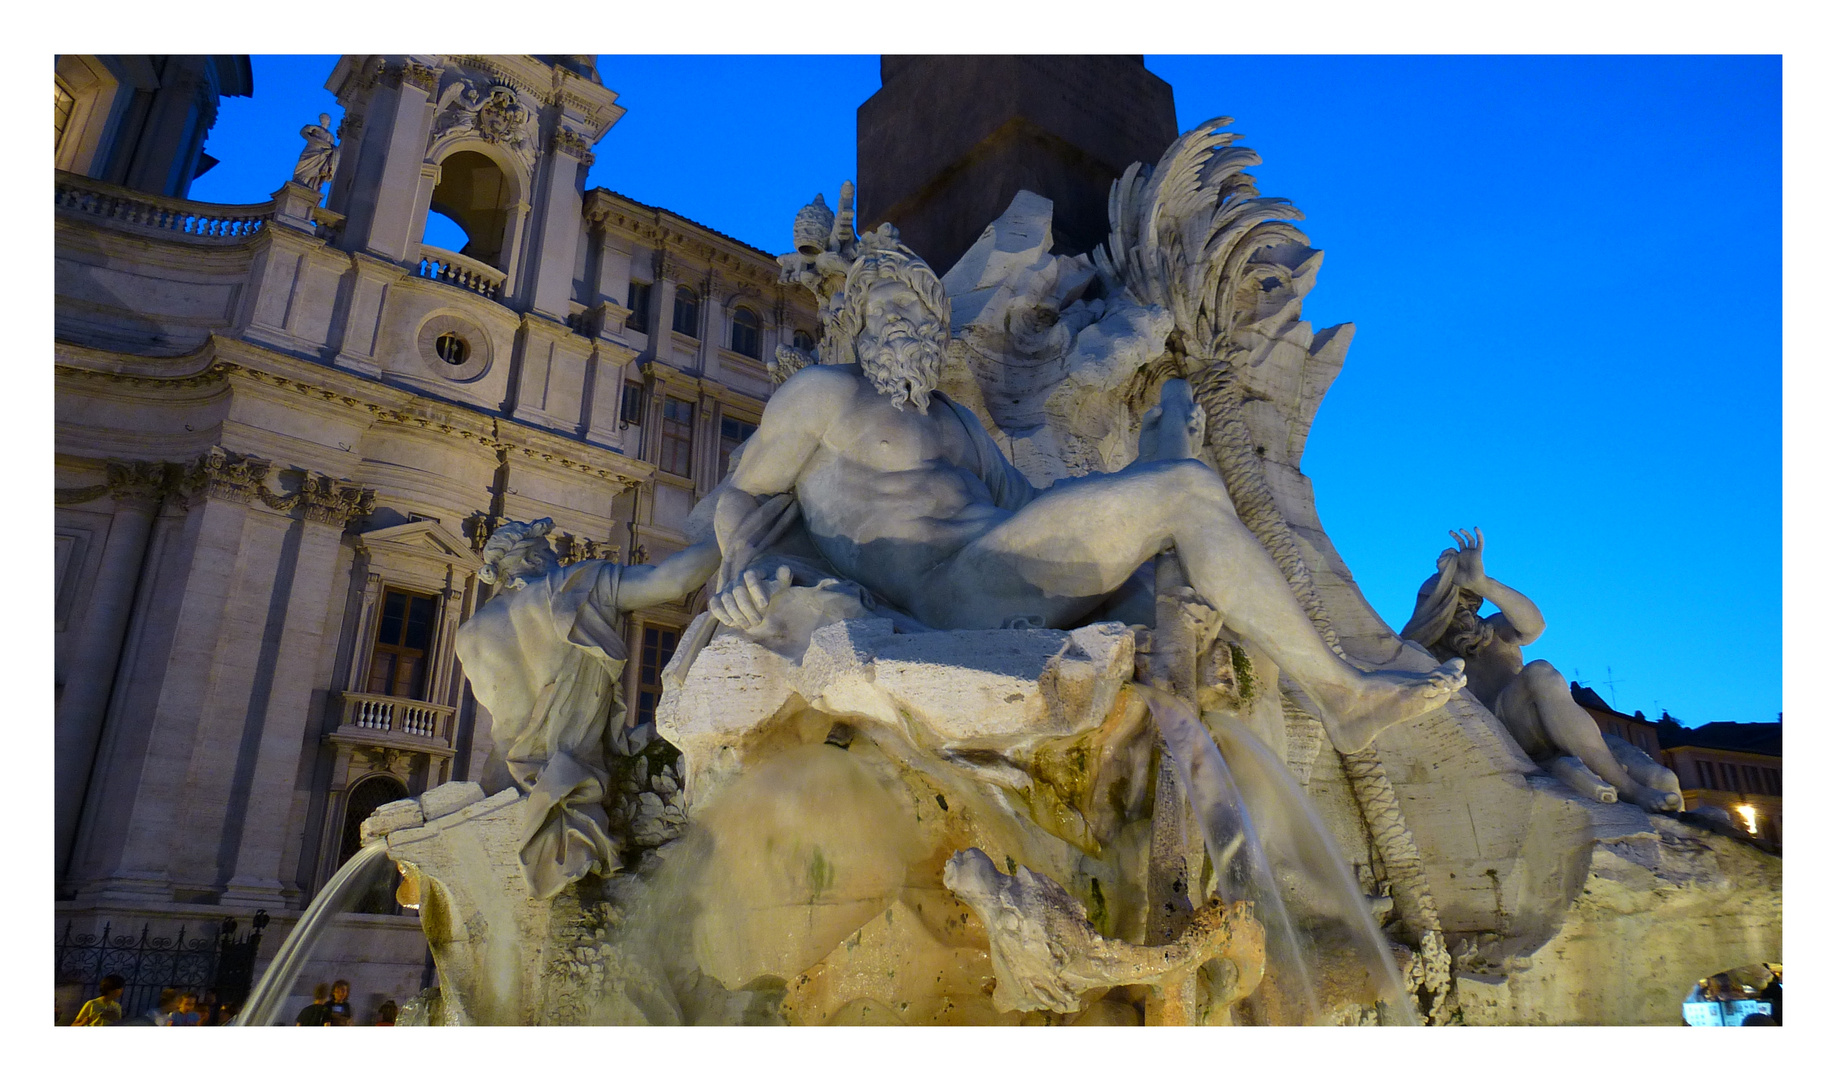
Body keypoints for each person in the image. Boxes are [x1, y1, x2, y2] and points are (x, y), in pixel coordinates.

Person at [706, 240, 1465, 754]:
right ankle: (1341, 695)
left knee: (1163, 559)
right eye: (886, 312)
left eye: (918, 313)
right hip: (939, 596)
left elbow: (1038, 510)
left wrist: (1147, 465)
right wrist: (741, 565)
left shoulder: (960, 423)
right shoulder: (822, 395)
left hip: (998, 573)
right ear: (857, 324)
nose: (904, 326)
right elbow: (741, 493)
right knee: (1185, 491)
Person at [455, 496, 795, 899]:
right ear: (531, 560)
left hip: (512, 781)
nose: (557, 563)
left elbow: (506, 725)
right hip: (574, 778)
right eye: (549, 554)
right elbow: (673, 582)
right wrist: (741, 530)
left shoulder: (471, 633)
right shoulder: (572, 587)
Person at [1401, 529, 1684, 812]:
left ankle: (1672, 815)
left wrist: (1484, 583)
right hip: (1501, 732)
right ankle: (1632, 791)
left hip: (1554, 724)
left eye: (1468, 601)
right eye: (1451, 603)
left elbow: (1535, 625)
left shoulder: (1495, 630)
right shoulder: (1423, 655)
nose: (1463, 610)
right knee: (1540, 673)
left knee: (1662, 777)